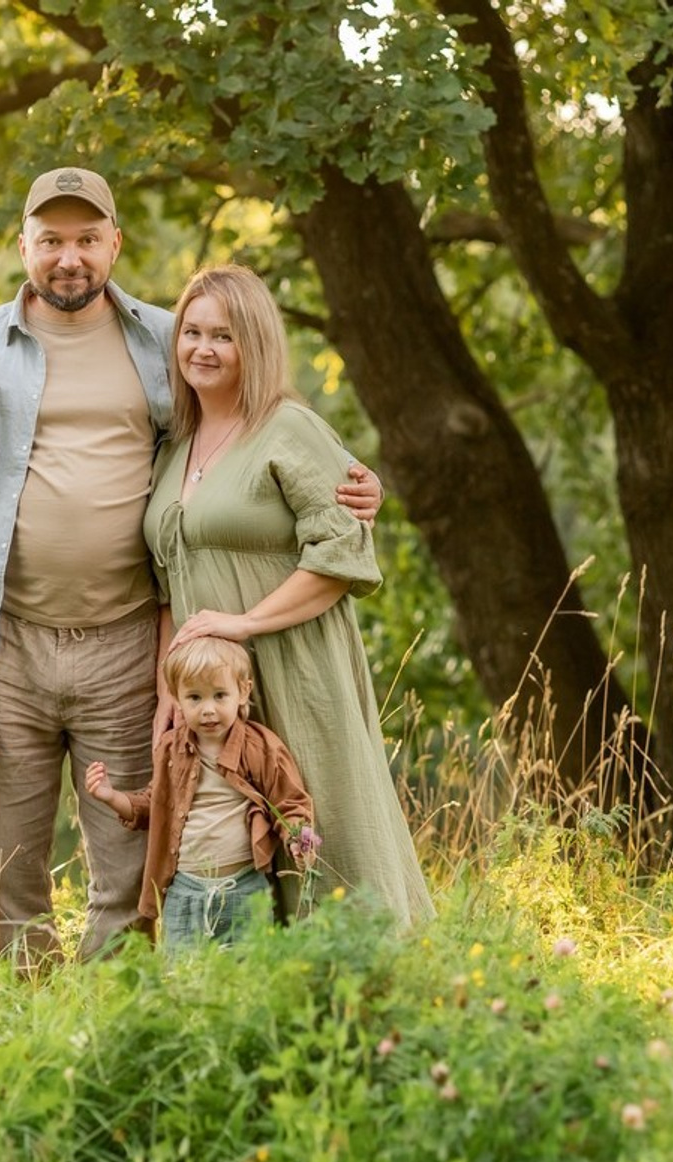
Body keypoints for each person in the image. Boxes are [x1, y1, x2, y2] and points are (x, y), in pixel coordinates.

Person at [0, 168, 386, 973]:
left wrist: (357, 480)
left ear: (114, 244)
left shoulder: (166, 342)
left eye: (87, 239)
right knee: (9, 855)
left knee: (128, 856)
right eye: (52, 240)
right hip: (8, 640)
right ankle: (29, 1016)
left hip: (131, 638)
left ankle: (109, 1011)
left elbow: (252, 421)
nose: (70, 257)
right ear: (23, 245)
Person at [145, 263, 434, 925]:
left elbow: (339, 558)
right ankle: (269, 1001)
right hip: (213, 691)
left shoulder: (289, 429)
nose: (203, 349)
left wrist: (246, 623)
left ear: (257, 344)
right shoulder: (175, 449)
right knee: (234, 843)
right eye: (191, 332)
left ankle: (371, 979)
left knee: (327, 826)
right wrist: (169, 690)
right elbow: (169, 586)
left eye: (224, 335)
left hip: (295, 664)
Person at [85, 636, 318, 949]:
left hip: (244, 886)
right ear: (177, 699)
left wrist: (297, 837)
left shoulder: (259, 747)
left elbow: (289, 801)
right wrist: (111, 796)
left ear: (243, 691)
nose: (208, 710)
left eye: (220, 696)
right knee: (183, 978)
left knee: (245, 976)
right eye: (194, 698)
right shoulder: (171, 748)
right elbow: (154, 807)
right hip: (185, 890)